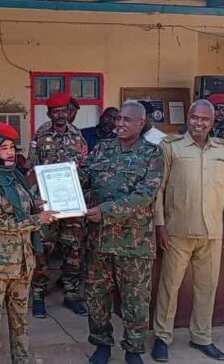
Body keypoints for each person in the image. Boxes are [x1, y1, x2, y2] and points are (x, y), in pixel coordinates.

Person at [151, 99, 224, 363]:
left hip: (212, 232)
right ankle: (162, 337)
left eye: (205, 119)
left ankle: (201, 336)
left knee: (207, 287)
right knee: (169, 286)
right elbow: (159, 189)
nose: (199, 123)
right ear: (188, 118)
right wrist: (160, 225)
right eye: (195, 117)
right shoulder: (171, 147)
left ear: (212, 122)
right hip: (177, 231)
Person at [79, 101, 164, 364]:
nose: (120, 124)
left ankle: (134, 349)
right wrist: (58, 185)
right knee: (96, 296)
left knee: (135, 300)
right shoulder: (102, 149)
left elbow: (144, 196)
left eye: (127, 120)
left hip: (133, 243)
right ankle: (101, 344)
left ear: (141, 123)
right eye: (118, 119)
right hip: (99, 240)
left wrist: (105, 210)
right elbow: (83, 177)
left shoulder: (153, 155)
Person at [0, 122, 59, 364]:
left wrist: (38, 206)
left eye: (12, 147)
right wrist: (37, 219)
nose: (10, 153)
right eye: (4, 148)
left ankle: (21, 359)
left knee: (20, 320)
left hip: (22, 263)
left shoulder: (16, 177)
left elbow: (22, 207)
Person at [28, 92, 88, 318]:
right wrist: (37, 201)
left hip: (72, 205)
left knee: (73, 249)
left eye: (64, 111)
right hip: (48, 205)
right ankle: (38, 296)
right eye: (56, 112)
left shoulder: (77, 136)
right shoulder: (41, 136)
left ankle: (72, 295)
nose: (61, 115)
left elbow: (84, 166)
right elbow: (33, 168)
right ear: (49, 114)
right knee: (42, 250)